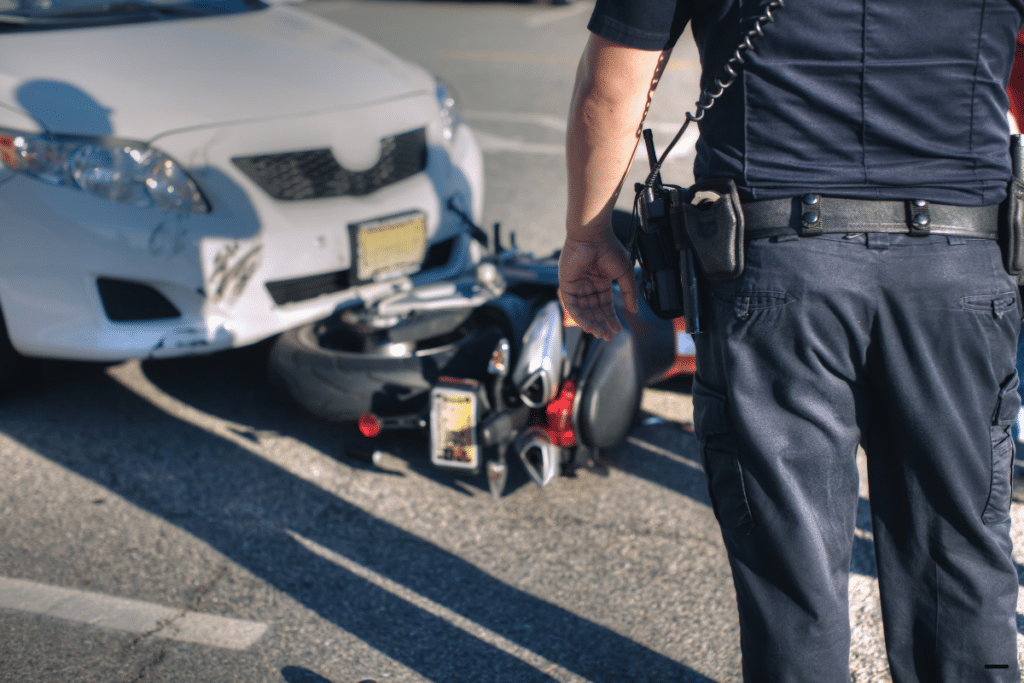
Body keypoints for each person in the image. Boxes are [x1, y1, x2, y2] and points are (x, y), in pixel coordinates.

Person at [558, 2, 1024, 682]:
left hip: (777, 274)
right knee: (959, 559)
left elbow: (613, 85)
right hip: (957, 268)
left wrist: (587, 237)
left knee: (790, 571)